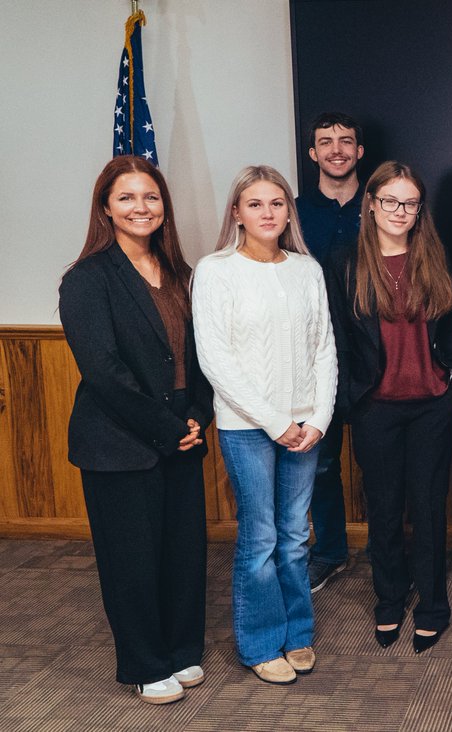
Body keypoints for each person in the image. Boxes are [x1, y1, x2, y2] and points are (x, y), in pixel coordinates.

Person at [59, 156, 212, 705]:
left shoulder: (180, 272)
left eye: (151, 197)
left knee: (182, 550)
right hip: (120, 440)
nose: (141, 207)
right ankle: (146, 663)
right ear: (105, 208)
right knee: (132, 559)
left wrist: (197, 415)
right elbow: (104, 372)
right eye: (127, 198)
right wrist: (166, 429)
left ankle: (181, 649)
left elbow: (201, 357)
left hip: (180, 429)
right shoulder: (86, 279)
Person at [192, 166, 336, 685]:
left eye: (277, 203)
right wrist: (276, 422)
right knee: (261, 536)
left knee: (297, 535)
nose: (268, 213)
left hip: (305, 425)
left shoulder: (306, 270)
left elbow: (324, 347)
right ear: (237, 213)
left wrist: (318, 417)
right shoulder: (215, 270)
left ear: (288, 212)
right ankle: (259, 643)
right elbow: (216, 360)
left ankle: (297, 634)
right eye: (255, 204)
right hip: (248, 426)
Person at [326, 162, 452, 653]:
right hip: (376, 407)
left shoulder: (432, 257)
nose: (400, 211)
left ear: (419, 209)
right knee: (384, 509)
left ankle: (432, 604)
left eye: (409, 203)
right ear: (371, 203)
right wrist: (352, 400)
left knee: (429, 509)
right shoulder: (345, 262)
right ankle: (389, 599)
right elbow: (339, 342)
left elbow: (449, 329)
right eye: (390, 201)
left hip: (431, 403)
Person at [295, 112, 365, 593]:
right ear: (313, 153)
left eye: (346, 141)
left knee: (380, 460)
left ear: (360, 151)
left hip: (373, 353)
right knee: (319, 464)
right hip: (312, 355)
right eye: (326, 142)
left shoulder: (385, 205)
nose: (336, 149)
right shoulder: (293, 212)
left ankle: (391, 550)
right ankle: (331, 552)